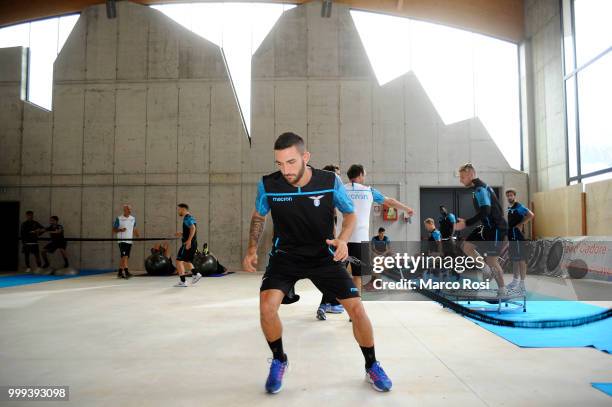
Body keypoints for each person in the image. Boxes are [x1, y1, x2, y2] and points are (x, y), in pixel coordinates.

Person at [242, 132, 393, 393]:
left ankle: (372, 365)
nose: (285, 170)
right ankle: (279, 359)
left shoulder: (328, 181)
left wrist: (344, 239)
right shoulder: (269, 184)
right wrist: (252, 249)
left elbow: (349, 214)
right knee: (267, 308)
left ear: (305, 157)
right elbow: (259, 216)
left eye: (291, 162)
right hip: (286, 256)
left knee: (357, 309)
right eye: (280, 163)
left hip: (324, 255)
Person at [344, 164, 414, 293]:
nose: (364, 177)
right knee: (358, 276)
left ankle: (334, 303)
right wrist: (406, 208)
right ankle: (357, 303)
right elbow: (390, 202)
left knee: (337, 275)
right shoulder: (368, 191)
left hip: (342, 238)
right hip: (360, 239)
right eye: (364, 174)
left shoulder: (340, 190)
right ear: (360, 175)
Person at [454, 163, 509, 297]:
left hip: (496, 227)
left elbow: (485, 211)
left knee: (492, 260)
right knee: (467, 246)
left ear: (471, 174)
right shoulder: (478, 188)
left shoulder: (480, 189)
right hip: (486, 227)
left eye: (462, 177)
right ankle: (485, 269)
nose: (460, 180)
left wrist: (466, 223)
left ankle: (502, 290)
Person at [315, 164, 345, 320]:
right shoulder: (325, 195)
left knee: (332, 276)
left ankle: (330, 303)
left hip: (333, 241)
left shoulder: (334, 195)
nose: (339, 178)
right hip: (326, 242)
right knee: (333, 276)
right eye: (336, 175)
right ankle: (324, 305)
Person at [505, 189, 535, 293]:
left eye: (511, 195)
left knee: (521, 259)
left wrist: (521, 224)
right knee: (515, 260)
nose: (509, 197)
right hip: (511, 237)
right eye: (508, 196)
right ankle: (515, 281)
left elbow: (531, 215)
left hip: (518, 237)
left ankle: (522, 284)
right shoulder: (509, 208)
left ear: (514, 196)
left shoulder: (519, 206)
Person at [174, 203, 202, 287]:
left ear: (183, 209)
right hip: (192, 242)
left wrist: (189, 240)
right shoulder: (190, 217)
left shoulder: (187, 218)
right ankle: (195, 274)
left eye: (179, 209)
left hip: (188, 243)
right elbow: (191, 230)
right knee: (187, 260)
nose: (178, 211)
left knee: (179, 261)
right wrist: (182, 233)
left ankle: (184, 281)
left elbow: (193, 228)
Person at [112, 204, 139, 279]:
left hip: (129, 240)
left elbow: (134, 228)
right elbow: (113, 230)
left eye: (130, 209)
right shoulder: (119, 218)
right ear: (124, 210)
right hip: (122, 240)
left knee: (125, 256)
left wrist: (137, 235)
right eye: (128, 209)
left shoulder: (133, 218)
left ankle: (120, 272)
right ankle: (126, 272)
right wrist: (121, 230)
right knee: (124, 256)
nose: (130, 211)